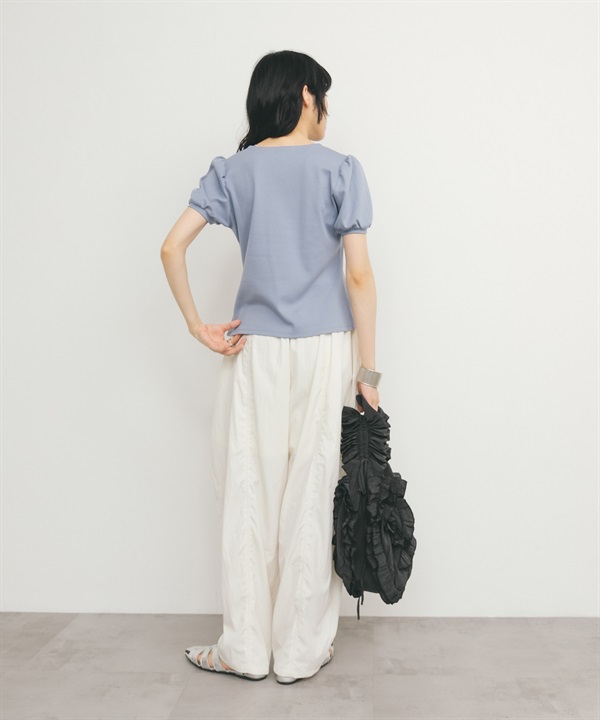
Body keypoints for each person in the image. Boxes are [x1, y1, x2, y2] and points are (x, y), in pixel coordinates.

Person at [160, 50, 381, 684]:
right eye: (324, 97)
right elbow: (359, 277)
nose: (327, 110)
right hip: (325, 349)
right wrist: (368, 374)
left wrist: (197, 325)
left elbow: (172, 247)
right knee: (312, 492)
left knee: (247, 492)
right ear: (307, 95)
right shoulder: (341, 170)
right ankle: (300, 652)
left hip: (252, 350)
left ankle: (245, 649)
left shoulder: (234, 171)